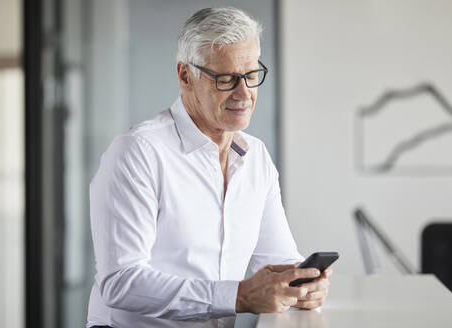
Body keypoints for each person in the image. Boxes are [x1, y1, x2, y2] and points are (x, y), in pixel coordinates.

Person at [87, 7, 332, 328]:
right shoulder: (138, 151)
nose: (244, 93)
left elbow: (278, 259)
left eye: (251, 75)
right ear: (185, 76)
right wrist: (238, 296)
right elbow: (121, 281)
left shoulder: (255, 156)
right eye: (227, 78)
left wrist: (305, 283)